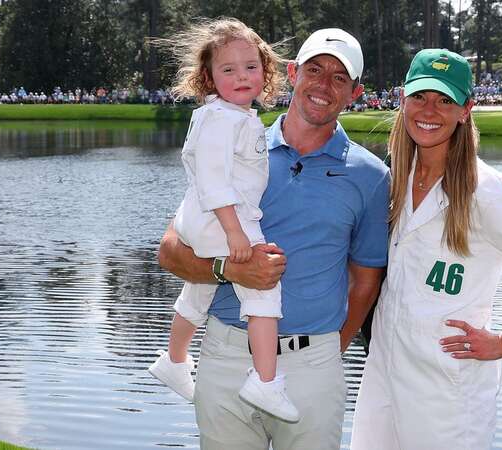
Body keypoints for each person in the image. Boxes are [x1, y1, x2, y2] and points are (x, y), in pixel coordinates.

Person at [157, 27, 389, 450]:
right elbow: (171, 251)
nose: (324, 85)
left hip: (313, 365)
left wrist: (325, 354)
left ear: (354, 93)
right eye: (315, 70)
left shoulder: (370, 176)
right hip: (225, 355)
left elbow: (365, 281)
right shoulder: (238, 142)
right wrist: (230, 270)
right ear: (293, 72)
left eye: (340, 78)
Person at [350, 49, 502, 450]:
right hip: (384, 369)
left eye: (445, 100)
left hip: (447, 384)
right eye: (420, 97)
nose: (430, 110)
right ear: (402, 100)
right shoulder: (395, 180)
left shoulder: (484, 189)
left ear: (466, 109)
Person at [148, 18, 300, 422]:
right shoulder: (222, 119)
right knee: (263, 284)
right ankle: (265, 382)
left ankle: (174, 360)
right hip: (222, 218)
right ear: (209, 77)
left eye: (251, 67)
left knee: (200, 287)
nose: (241, 76)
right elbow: (215, 180)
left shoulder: (233, 116)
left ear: (265, 72)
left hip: (202, 218)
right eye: (228, 70)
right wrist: (236, 234)